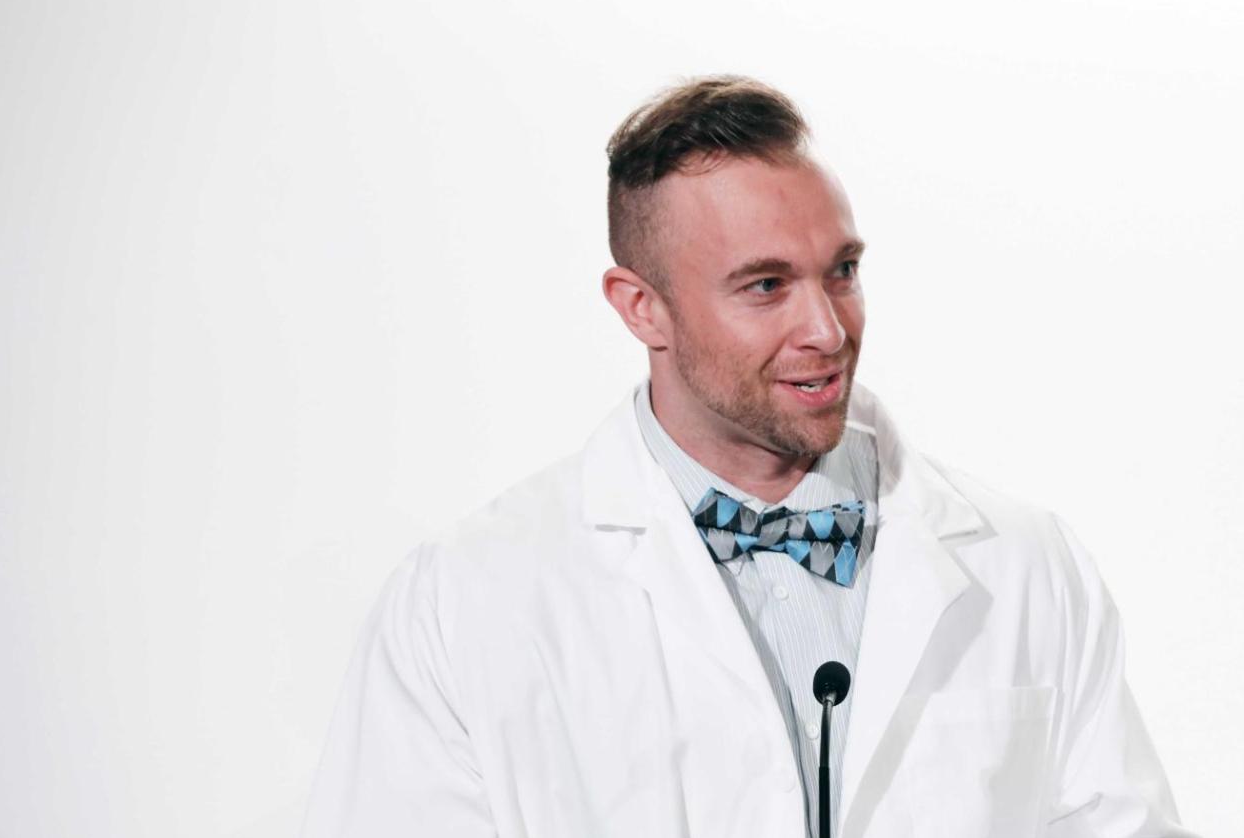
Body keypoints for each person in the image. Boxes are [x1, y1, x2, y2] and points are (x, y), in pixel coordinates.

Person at [301, 76, 1198, 838]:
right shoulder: (467, 601)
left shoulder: (1025, 563)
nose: (827, 328)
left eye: (841, 271)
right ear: (640, 307)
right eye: (765, 286)